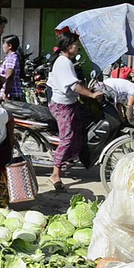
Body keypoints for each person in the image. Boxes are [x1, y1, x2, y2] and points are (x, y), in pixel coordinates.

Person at [47, 32, 102, 191]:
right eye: (75, 44)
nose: (78, 47)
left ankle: (71, 157)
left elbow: (76, 83)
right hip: (62, 106)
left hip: (70, 103)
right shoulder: (63, 62)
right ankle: (55, 173)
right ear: (67, 47)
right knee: (68, 137)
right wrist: (91, 94)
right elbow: (73, 86)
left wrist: (89, 89)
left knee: (81, 126)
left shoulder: (67, 61)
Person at [0, 34, 24, 101]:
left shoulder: (11, 58)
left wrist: (6, 94)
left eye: (4, 44)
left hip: (11, 95)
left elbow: (9, 77)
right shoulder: (12, 57)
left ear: (9, 46)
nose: (3, 46)